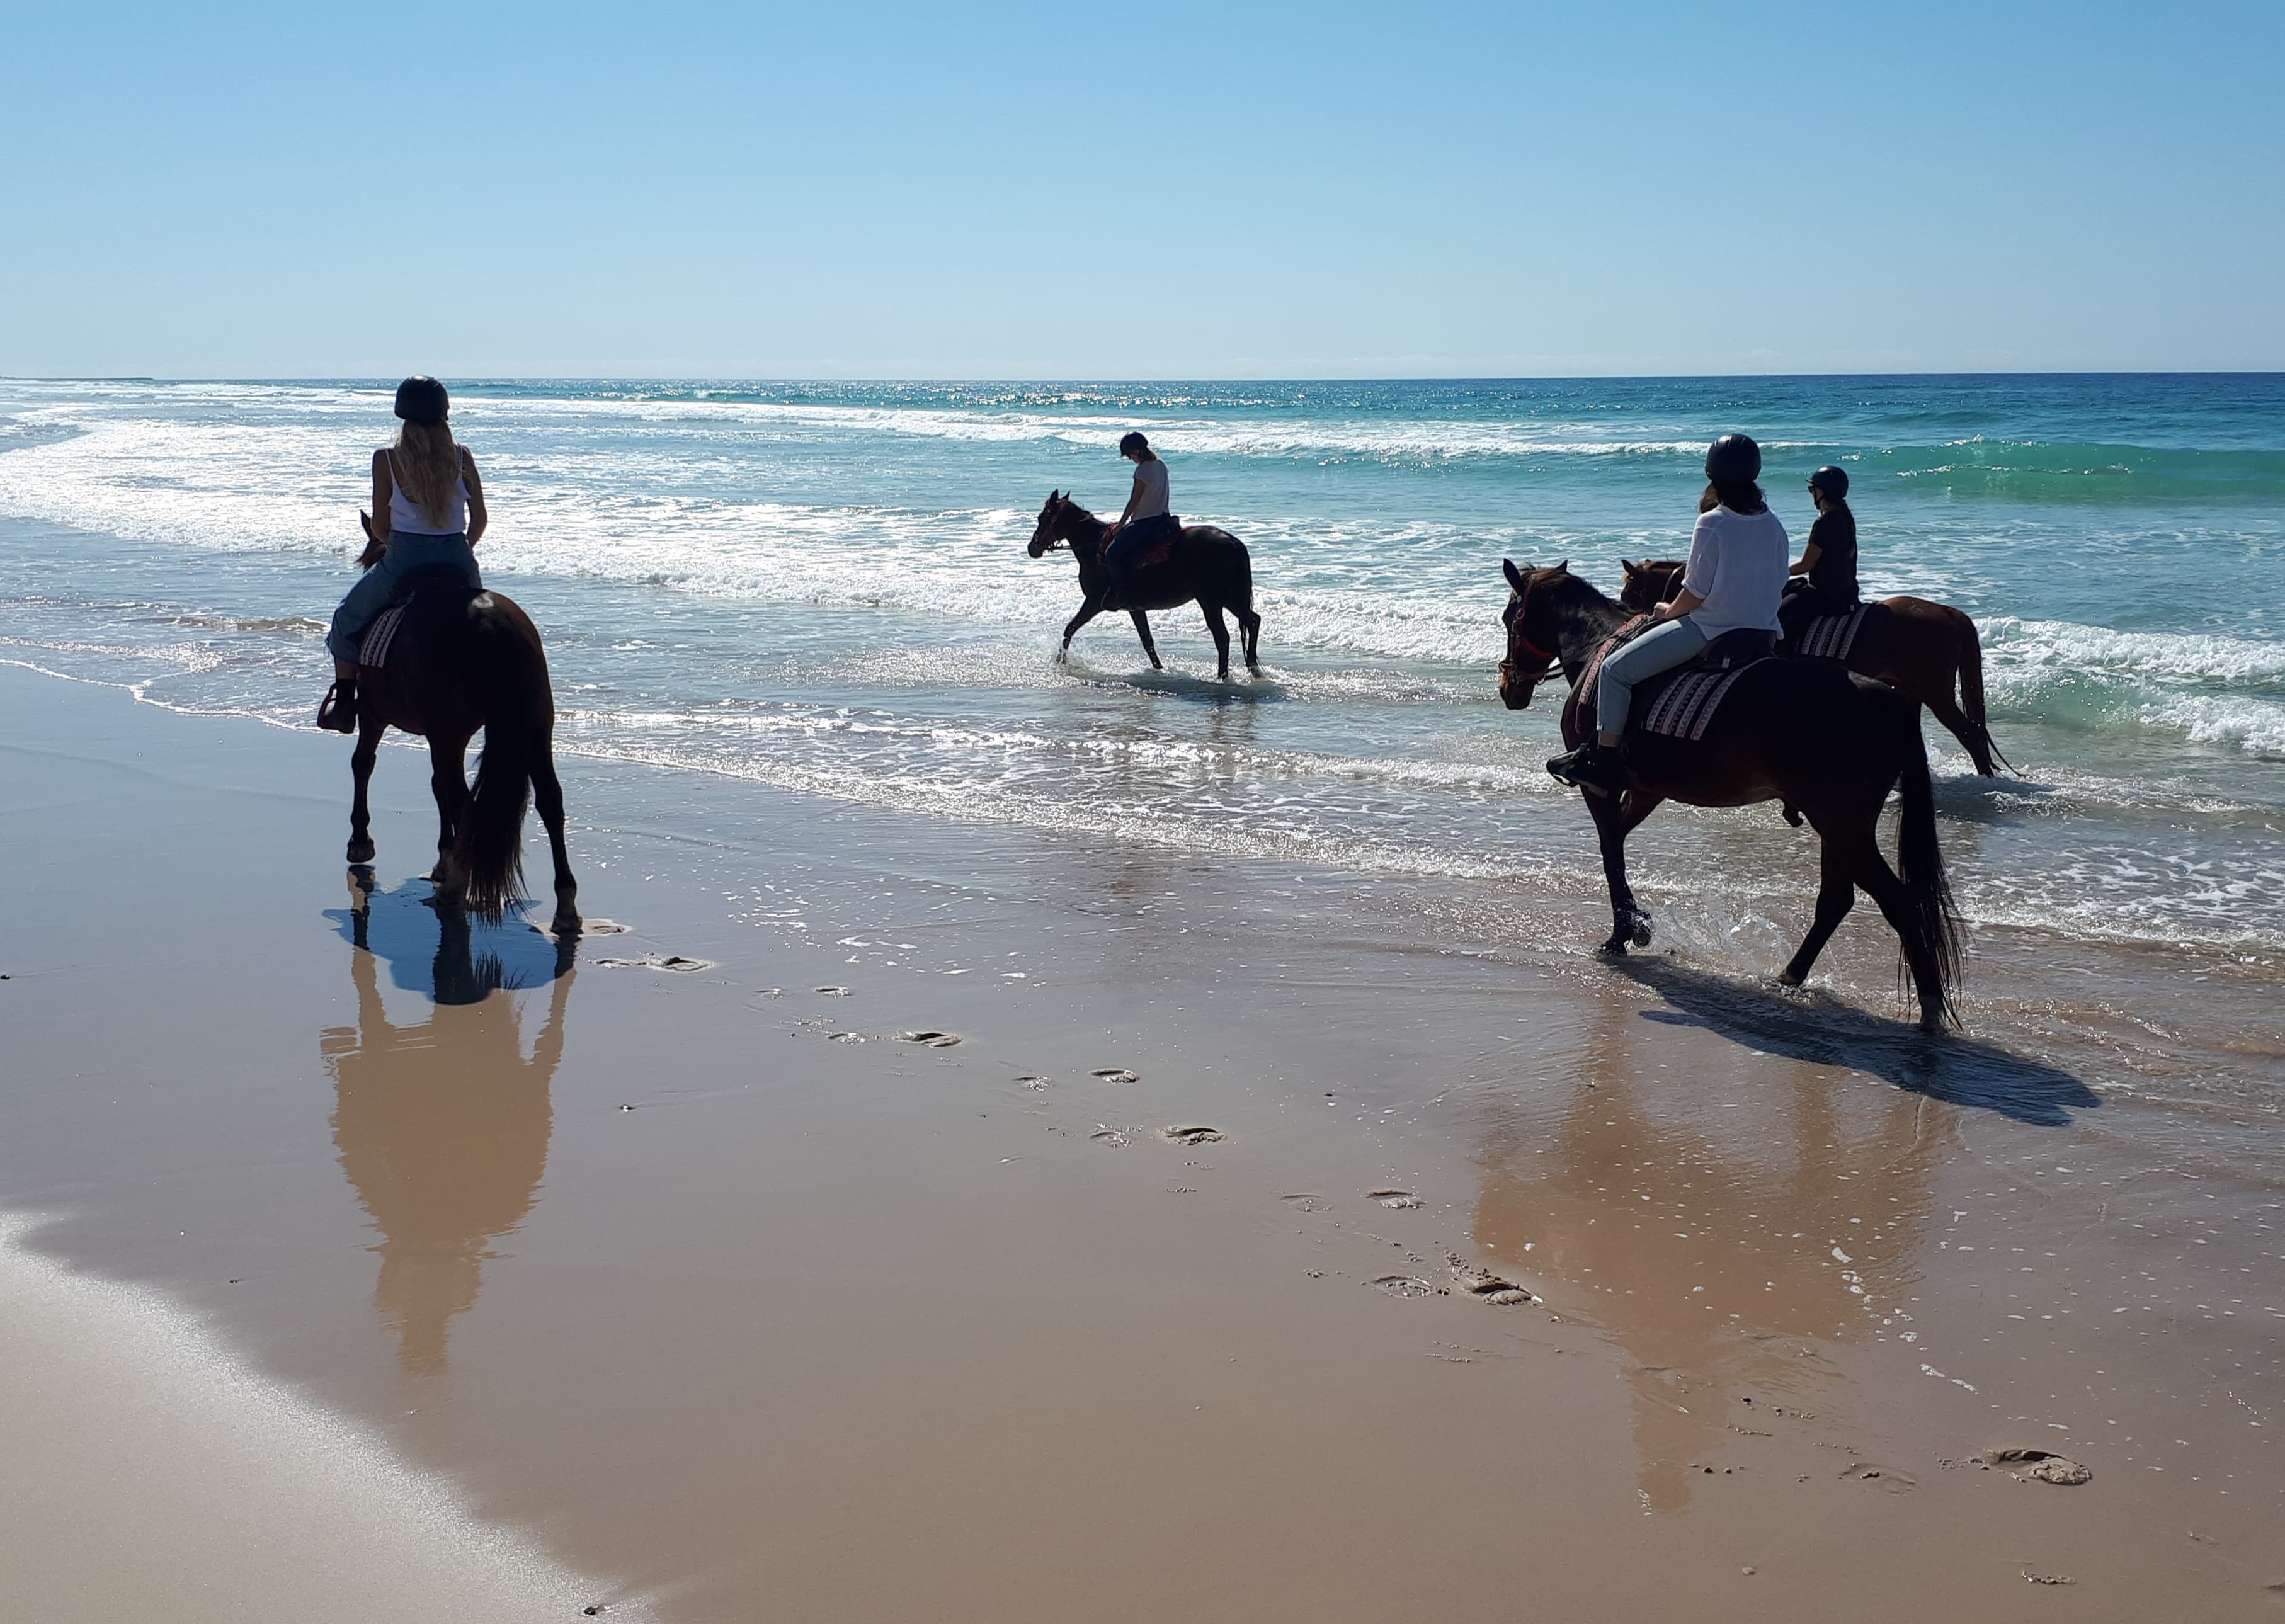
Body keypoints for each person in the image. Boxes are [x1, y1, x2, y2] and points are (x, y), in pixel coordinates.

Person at [1547, 434, 1788, 795]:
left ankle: (1604, 762)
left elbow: (1695, 593)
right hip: (1766, 633)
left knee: (1615, 671)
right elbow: (1780, 579)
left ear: (1712, 475)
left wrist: (1667, 611)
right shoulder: (1773, 523)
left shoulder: (1713, 522)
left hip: (1711, 630)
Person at [317, 377, 488, 732]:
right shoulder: (462, 456)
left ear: (404, 420)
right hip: (458, 558)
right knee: (486, 626)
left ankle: (346, 703)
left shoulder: (386, 460)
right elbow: (480, 520)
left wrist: (398, 545)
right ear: (445, 417)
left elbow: (380, 527)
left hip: (404, 559)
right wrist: (461, 548)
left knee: (346, 621)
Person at [1778, 464, 1859, 646]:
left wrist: (1778, 572)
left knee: (1777, 618)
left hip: (1824, 595)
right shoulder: (1846, 518)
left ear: (1821, 493)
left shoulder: (1825, 523)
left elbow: (1806, 565)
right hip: (1848, 593)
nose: (1812, 494)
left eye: (1812, 490)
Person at [1101, 431, 1178, 602]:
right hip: (1164, 518)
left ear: (1136, 451)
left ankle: (1122, 595)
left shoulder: (1143, 470)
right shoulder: (1160, 465)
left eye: (1129, 455)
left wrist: (1120, 526)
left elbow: (1134, 501)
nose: (1130, 459)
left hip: (1145, 522)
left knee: (1112, 554)